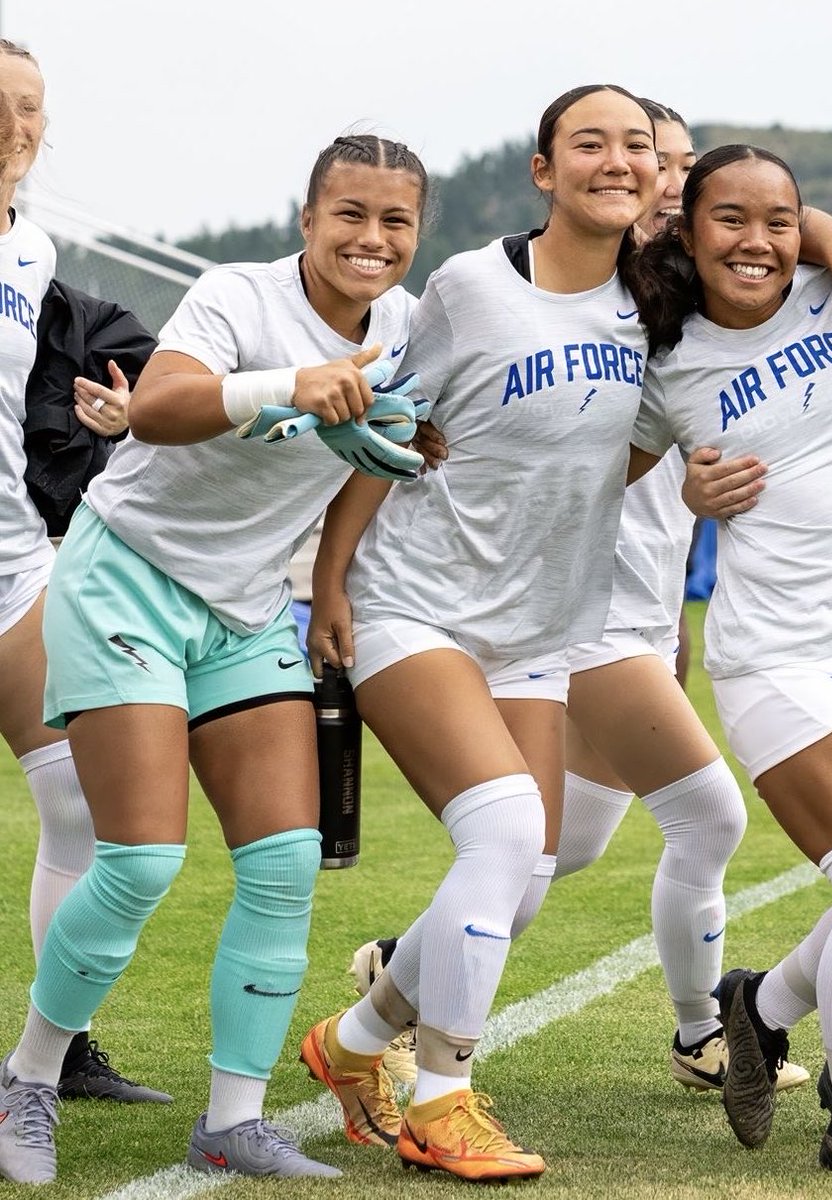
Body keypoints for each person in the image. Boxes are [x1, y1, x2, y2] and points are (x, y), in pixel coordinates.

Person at [0, 132, 429, 1184]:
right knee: (140, 859)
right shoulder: (238, 295)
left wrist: (331, 581)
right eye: (351, 216)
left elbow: (388, 445)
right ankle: (28, 1078)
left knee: (283, 864)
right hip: (127, 576)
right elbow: (159, 405)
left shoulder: (411, 326)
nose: (372, 240)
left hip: (243, 612)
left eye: (396, 222)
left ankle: (233, 1120)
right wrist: (290, 383)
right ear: (307, 219)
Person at [298, 84, 660, 1184]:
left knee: (529, 876)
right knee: (502, 834)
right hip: (419, 600)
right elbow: (393, 428)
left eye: (635, 145)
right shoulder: (468, 289)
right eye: (587, 143)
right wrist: (330, 581)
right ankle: (441, 1099)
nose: (616, 160)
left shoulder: (659, 301)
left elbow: (627, 448)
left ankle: (353, 1042)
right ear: (543, 171)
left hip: (540, 626)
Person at [625, 144, 832, 1180]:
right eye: (730, 220)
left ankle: (758, 1008)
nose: (759, 241)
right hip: (779, 650)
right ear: (688, 230)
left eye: (780, 221)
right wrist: (684, 496)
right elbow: (604, 471)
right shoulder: (663, 357)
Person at [0, 37, 169, 1118]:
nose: (16, 125)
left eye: (30, 108)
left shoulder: (33, 253)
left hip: (15, 564)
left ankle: (49, 1053)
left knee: (85, 806)